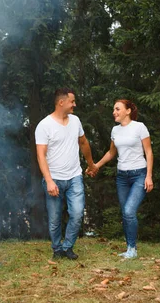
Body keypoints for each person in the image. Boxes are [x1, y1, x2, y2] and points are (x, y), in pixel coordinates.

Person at [35, 88, 98, 260]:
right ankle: (57, 249)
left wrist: (91, 164)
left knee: (77, 214)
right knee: (55, 219)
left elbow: (83, 143)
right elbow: (41, 155)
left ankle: (67, 247)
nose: (75, 105)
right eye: (72, 101)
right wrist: (48, 181)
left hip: (74, 177)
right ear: (61, 102)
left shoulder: (75, 121)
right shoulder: (44, 125)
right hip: (54, 178)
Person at [88, 99, 153, 259]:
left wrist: (149, 176)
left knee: (129, 211)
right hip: (122, 177)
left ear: (128, 111)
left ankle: (132, 249)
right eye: (113, 110)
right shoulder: (115, 131)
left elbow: (149, 152)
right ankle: (129, 248)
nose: (114, 112)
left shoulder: (139, 127)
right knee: (125, 214)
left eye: (117, 109)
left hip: (139, 174)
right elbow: (111, 153)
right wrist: (96, 165)